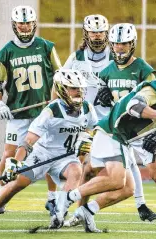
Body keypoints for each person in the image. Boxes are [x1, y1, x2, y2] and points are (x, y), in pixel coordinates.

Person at [57, 57, 156, 233]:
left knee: (129, 188)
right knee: (112, 178)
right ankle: (69, 198)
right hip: (113, 132)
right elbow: (133, 106)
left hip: (128, 136)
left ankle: (87, 210)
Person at [64, 23, 156, 228]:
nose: (120, 47)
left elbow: (154, 100)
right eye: (116, 44)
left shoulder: (143, 70)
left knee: (125, 180)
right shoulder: (104, 69)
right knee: (96, 172)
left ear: (132, 44)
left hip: (128, 129)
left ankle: (80, 210)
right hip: (110, 128)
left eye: (124, 43)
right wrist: (102, 96)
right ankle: (74, 206)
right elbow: (101, 99)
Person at [0, 69, 98, 229]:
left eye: (80, 88)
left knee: (76, 171)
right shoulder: (51, 111)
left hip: (65, 158)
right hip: (42, 155)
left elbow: (93, 128)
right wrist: (15, 163)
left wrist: (89, 138)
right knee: (17, 184)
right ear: (62, 89)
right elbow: (28, 141)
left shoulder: (87, 108)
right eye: (73, 88)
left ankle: (59, 213)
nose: (78, 92)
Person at [0, 5, 62, 214]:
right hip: (18, 112)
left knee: (49, 153)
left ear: (34, 23)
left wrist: (55, 101)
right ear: (14, 24)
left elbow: (60, 76)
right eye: (21, 22)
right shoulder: (7, 51)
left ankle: (52, 198)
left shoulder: (46, 46)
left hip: (44, 112)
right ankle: (2, 195)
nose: (25, 26)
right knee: (9, 153)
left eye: (28, 22)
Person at [44, 14, 113, 215]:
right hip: (81, 118)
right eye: (93, 31)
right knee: (71, 160)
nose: (98, 35)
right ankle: (59, 203)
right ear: (86, 33)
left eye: (101, 31)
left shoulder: (114, 55)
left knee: (102, 168)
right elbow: (59, 80)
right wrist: (54, 107)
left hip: (106, 120)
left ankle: (75, 206)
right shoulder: (77, 57)